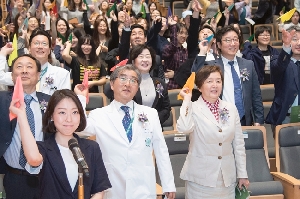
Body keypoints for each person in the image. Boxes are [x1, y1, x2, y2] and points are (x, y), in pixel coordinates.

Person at [75, 64, 176, 199]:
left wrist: (168, 184)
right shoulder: (98, 115)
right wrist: (81, 98)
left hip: (143, 186)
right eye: (123, 79)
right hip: (112, 187)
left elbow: (161, 150)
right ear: (112, 84)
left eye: (133, 80)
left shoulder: (150, 113)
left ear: (137, 88)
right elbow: (79, 128)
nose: (128, 84)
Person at [9, 89, 112, 198]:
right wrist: (21, 116)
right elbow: (34, 159)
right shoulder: (42, 149)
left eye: (75, 112)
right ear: (52, 116)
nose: (69, 119)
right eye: (62, 112)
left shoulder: (92, 147)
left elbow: (99, 190)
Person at [177, 65, 249, 198]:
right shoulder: (193, 107)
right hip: (200, 180)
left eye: (218, 81)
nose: (215, 85)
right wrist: (187, 100)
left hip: (226, 179)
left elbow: (238, 144)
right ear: (199, 87)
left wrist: (242, 174)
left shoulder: (230, 108)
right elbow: (184, 128)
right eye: (209, 81)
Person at [0, 54, 51, 198]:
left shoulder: (50, 101)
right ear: (11, 75)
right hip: (14, 177)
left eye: (29, 67)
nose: (24, 71)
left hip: (46, 175)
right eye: (19, 67)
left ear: (38, 75)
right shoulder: (2, 100)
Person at [191, 25, 264, 126]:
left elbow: (256, 95)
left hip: (244, 120)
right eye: (228, 40)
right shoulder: (213, 65)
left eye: (235, 39)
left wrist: (258, 120)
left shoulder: (248, 65)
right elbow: (195, 78)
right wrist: (202, 52)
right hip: (220, 119)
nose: (233, 43)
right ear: (219, 45)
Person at [105, 44, 171, 125]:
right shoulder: (126, 82)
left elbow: (166, 108)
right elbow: (112, 96)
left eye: (148, 56)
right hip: (130, 127)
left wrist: (152, 121)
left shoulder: (159, 83)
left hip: (155, 128)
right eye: (141, 56)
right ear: (133, 61)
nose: (145, 60)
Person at [0, 28, 71, 95]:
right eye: (36, 43)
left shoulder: (62, 74)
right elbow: (1, 77)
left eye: (44, 44)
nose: (40, 47)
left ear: (49, 50)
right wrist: (3, 54)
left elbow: (65, 101)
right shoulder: (22, 73)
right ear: (29, 48)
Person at [266, 26, 300, 132]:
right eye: (294, 39)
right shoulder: (278, 60)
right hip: (285, 117)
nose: (299, 43)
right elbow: (279, 66)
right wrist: (286, 46)